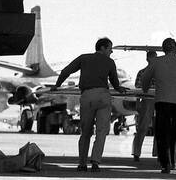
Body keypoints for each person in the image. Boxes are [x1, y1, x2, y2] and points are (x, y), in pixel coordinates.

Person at [52, 37, 127, 172]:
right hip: (103, 97)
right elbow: (115, 83)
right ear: (103, 48)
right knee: (101, 132)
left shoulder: (83, 58)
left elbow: (65, 71)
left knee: (85, 132)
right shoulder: (110, 62)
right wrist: (121, 89)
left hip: (87, 96)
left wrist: (56, 85)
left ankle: (82, 163)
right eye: (110, 49)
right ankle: (95, 162)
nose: (111, 52)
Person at [142, 38, 176, 175]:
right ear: (175, 48)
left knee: (163, 133)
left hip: (163, 101)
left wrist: (145, 89)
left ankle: (165, 164)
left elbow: (145, 79)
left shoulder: (155, 62)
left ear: (163, 49)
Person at [131, 50, 158, 163]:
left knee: (159, 128)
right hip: (147, 100)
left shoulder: (160, 72)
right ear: (147, 59)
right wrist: (137, 101)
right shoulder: (142, 72)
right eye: (151, 58)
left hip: (158, 100)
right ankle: (136, 153)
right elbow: (137, 88)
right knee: (142, 127)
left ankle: (158, 152)